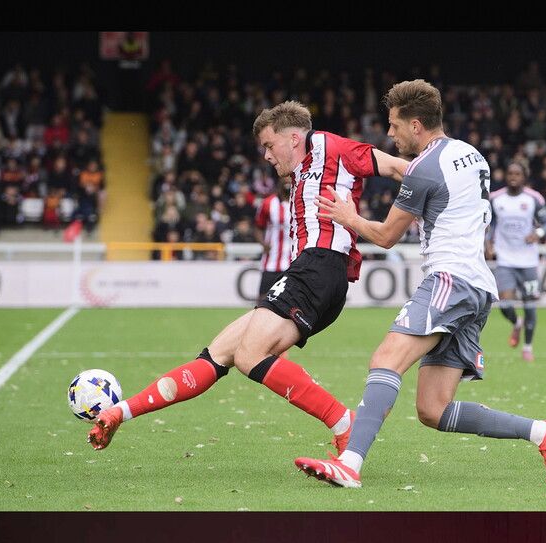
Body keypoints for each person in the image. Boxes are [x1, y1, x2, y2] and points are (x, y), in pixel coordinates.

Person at [86, 100, 409, 469]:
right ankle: (119, 415)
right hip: (307, 270)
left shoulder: (330, 146)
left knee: (250, 356)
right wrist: (117, 413)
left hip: (321, 267)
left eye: (270, 146)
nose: (267, 156)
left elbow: (401, 168)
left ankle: (345, 424)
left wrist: (437, 204)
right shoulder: (301, 171)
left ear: (293, 137)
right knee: (217, 354)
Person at [294, 80, 546, 489]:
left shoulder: (424, 167)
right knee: (432, 409)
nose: (390, 134)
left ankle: (350, 464)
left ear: (417, 125)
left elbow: (387, 236)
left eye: (394, 126)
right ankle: (544, 433)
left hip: (450, 279)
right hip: (478, 286)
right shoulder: (472, 155)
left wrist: (348, 216)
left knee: (386, 360)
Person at [485, 161, 546, 362]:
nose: (513, 176)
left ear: (524, 176)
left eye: (517, 173)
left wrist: (537, 233)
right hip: (505, 259)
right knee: (505, 304)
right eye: (510, 173)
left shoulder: (533, 198)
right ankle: (516, 323)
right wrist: (487, 241)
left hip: (529, 261)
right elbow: (490, 222)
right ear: (506, 176)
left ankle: (528, 347)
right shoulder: (496, 199)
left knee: (530, 304)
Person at [253, 177, 293, 302]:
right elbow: (258, 227)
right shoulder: (268, 203)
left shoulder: (301, 201)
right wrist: (263, 244)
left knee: (292, 300)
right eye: (284, 179)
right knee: (262, 299)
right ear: (279, 183)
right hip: (272, 260)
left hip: (294, 261)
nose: (287, 182)